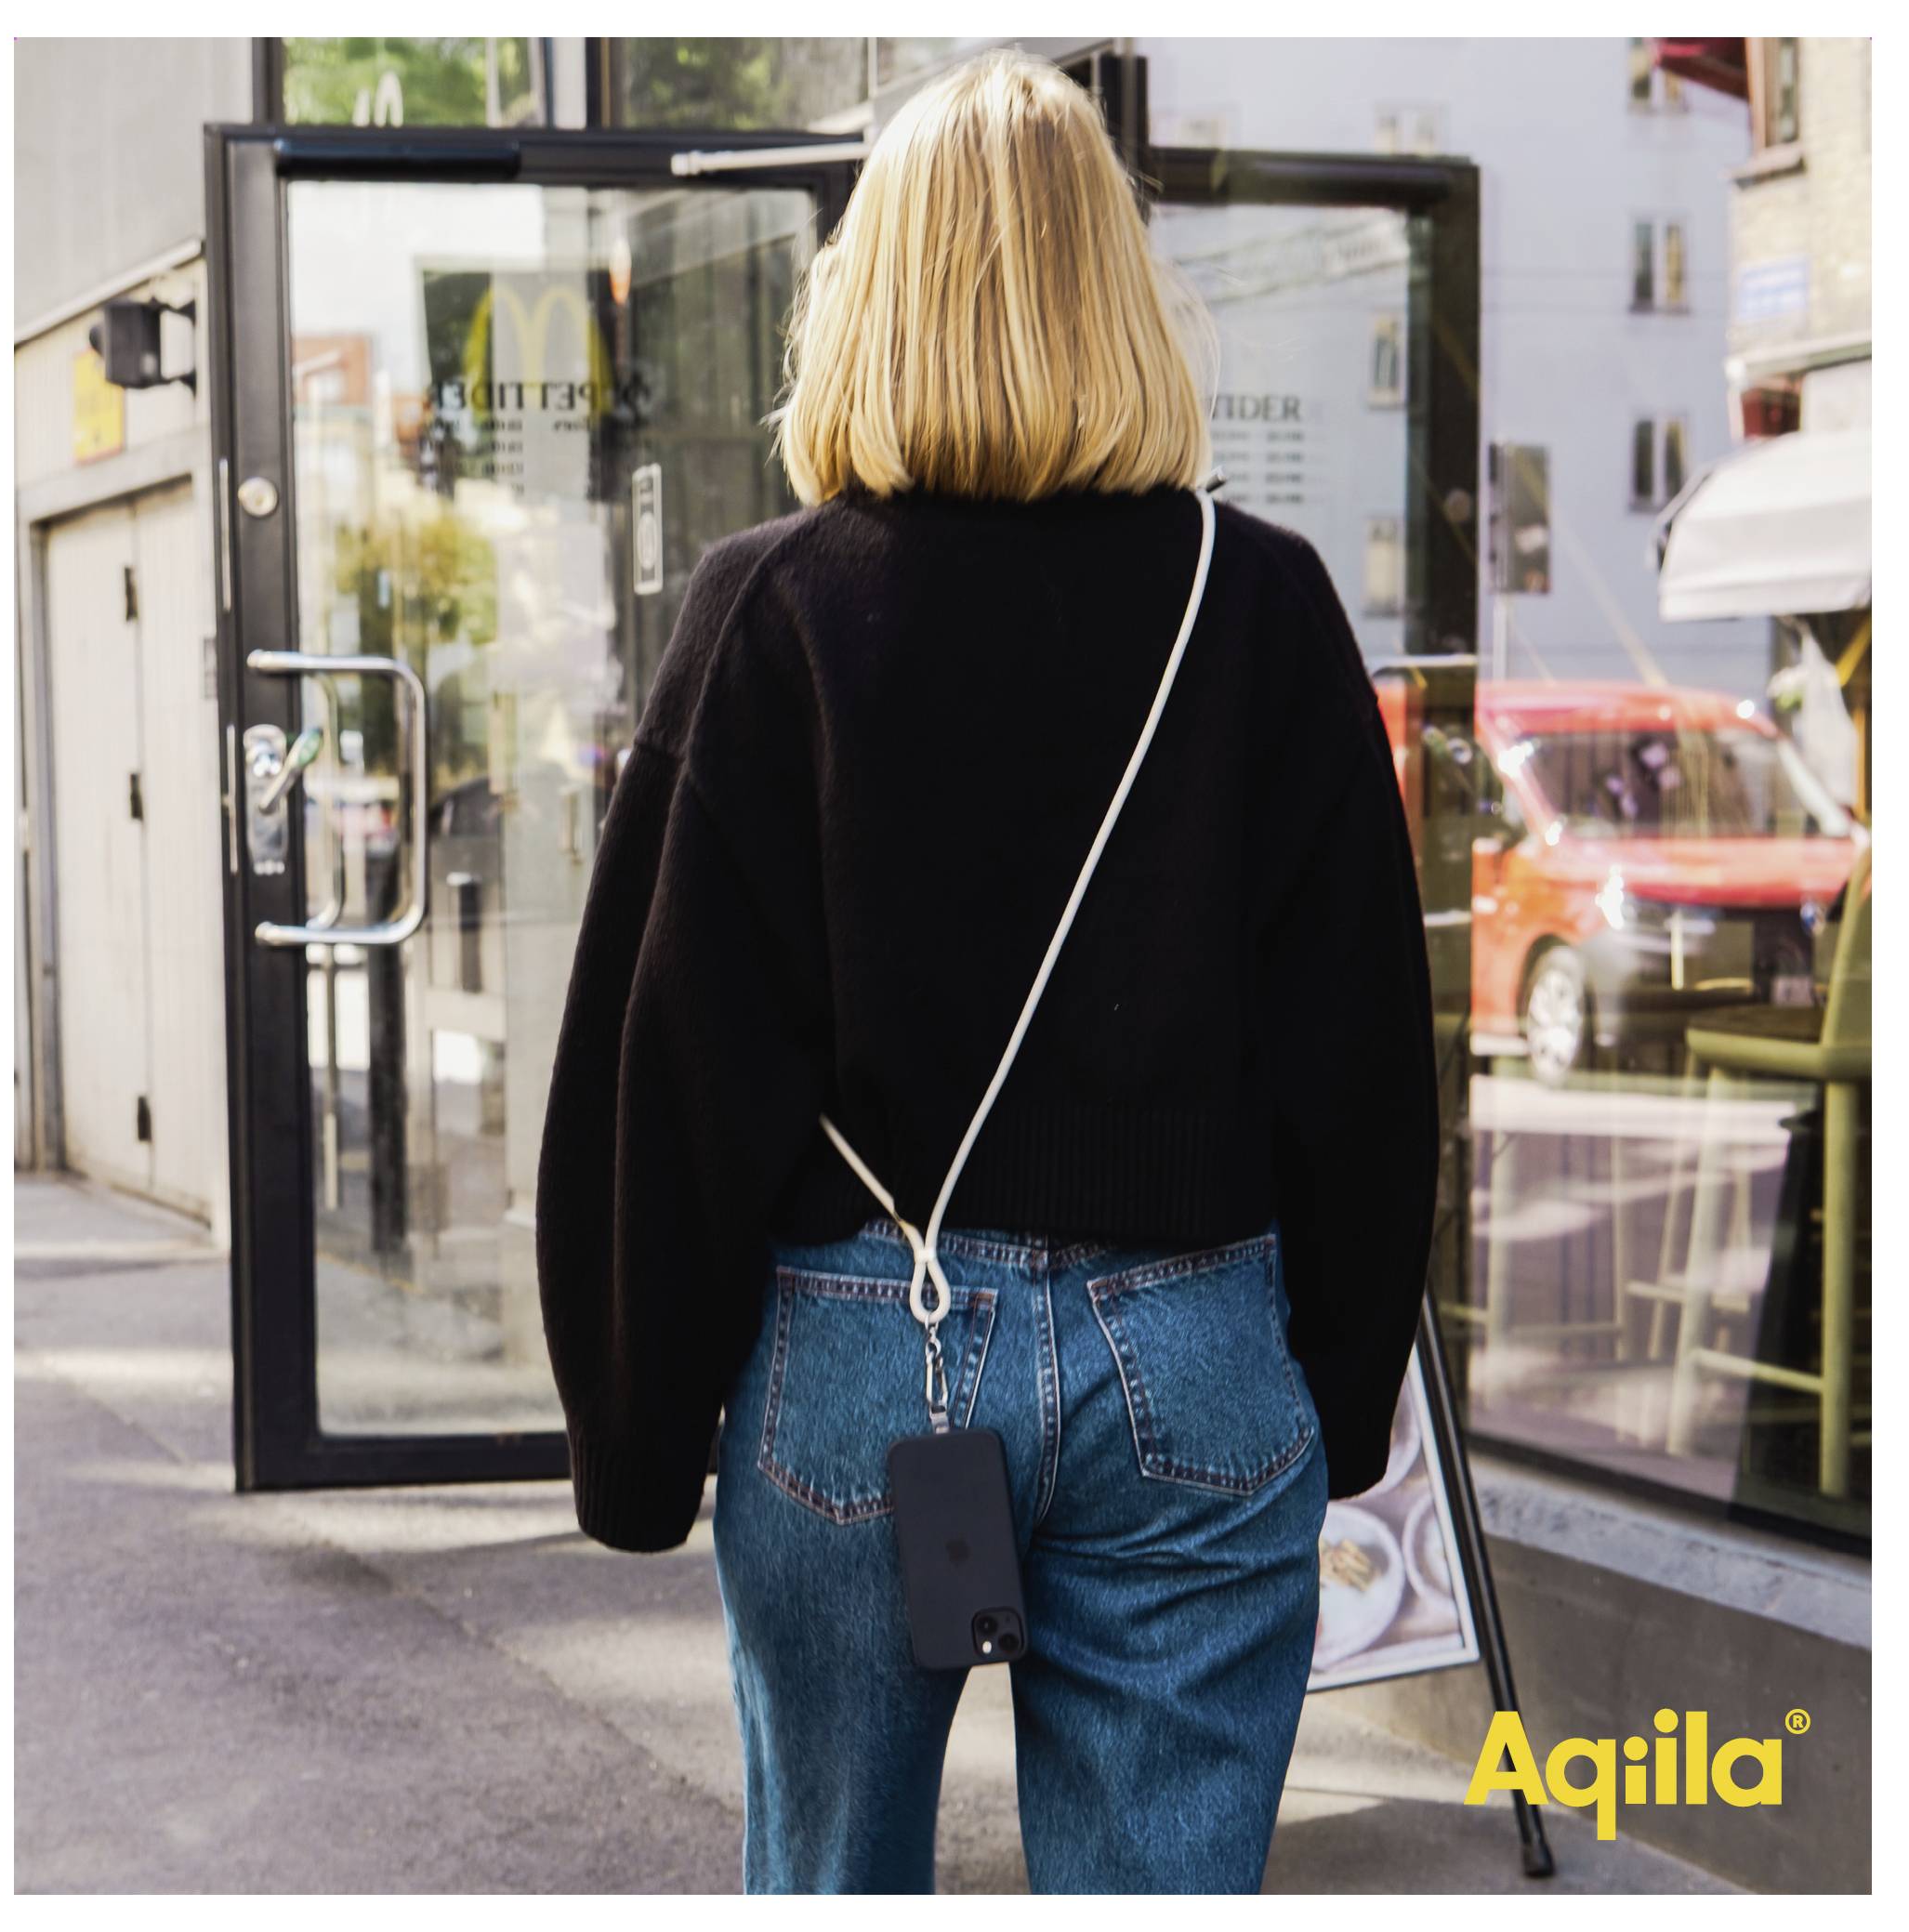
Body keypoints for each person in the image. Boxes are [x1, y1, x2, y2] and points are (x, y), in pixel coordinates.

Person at [535, 46, 1439, 1896]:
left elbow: (666, 1060)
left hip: (865, 1345)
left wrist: (633, 1434)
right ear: (1122, 293)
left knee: (832, 1875)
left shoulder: (771, 608)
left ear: (864, 295)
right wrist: (1338, 1392)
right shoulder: (1258, 601)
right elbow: (1358, 1047)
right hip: (1193, 1350)